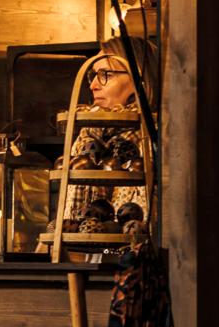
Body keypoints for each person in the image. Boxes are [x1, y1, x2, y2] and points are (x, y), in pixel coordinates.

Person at [59, 39, 156, 231]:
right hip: (85, 254)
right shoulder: (88, 136)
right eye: (93, 75)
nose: (94, 85)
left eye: (105, 75)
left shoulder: (150, 136)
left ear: (139, 77)